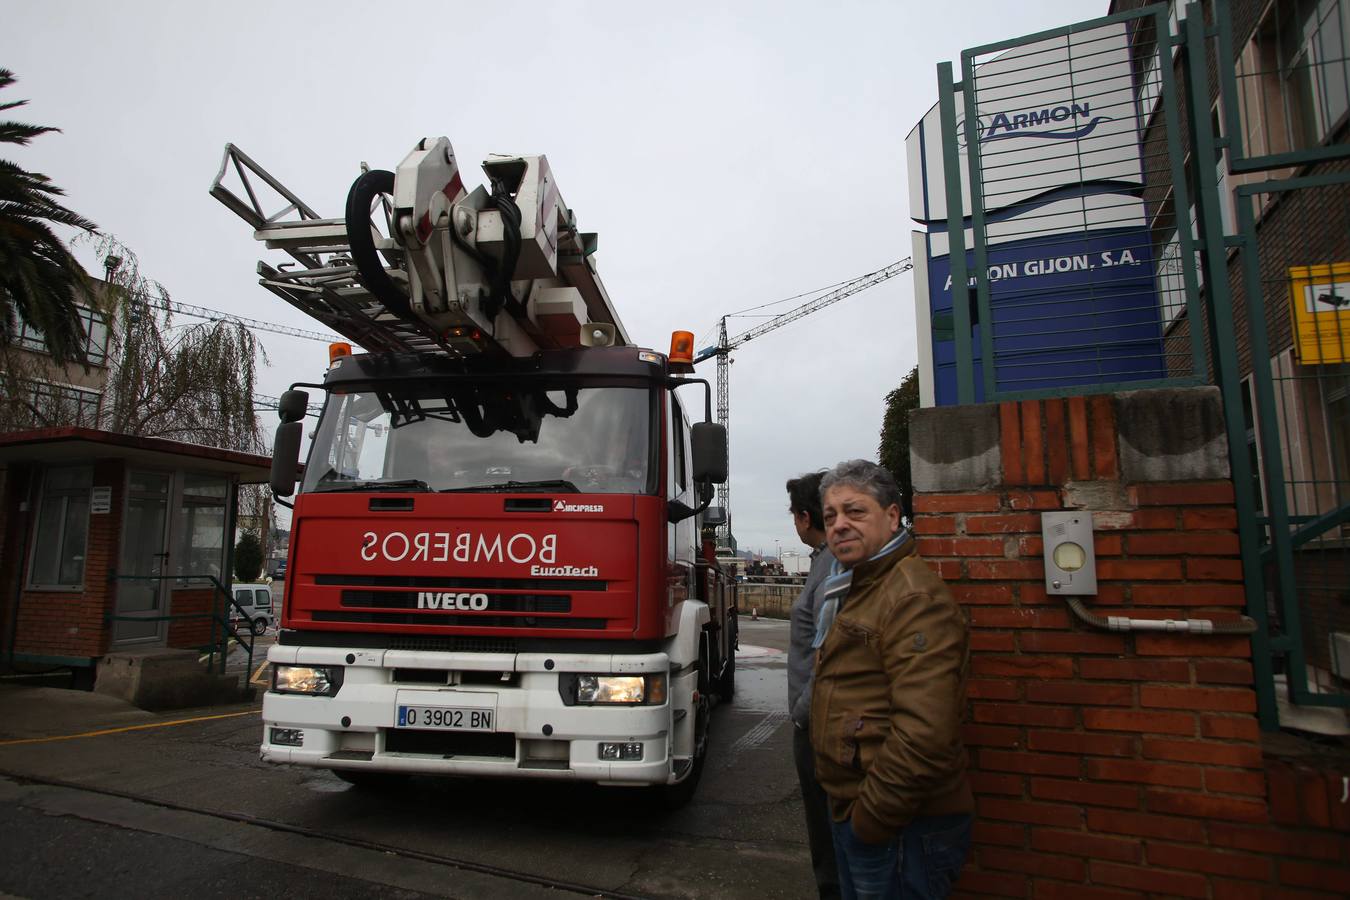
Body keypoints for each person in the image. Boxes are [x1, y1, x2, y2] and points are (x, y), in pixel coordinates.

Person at [809, 459, 972, 900]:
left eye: (854, 511)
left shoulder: (911, 597)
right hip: (859, 810)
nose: (839, 526)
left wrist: (872, 821)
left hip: (898, 826)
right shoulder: (856, 585)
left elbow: (925, 733)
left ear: (893, 516)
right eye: (830, 517)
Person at [786, 471, 840, 900]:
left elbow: (830, 652)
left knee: (828, 834)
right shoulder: (827, 560)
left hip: (819, 725)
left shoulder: (829, 567)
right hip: (819, 719)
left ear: (806, 517)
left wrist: (803, 715)